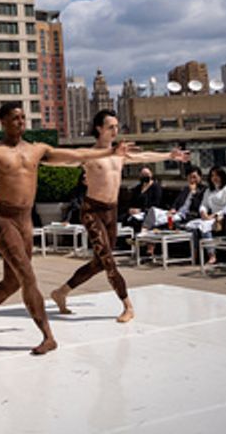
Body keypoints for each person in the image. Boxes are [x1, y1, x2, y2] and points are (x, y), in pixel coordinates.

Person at [0, 103, 133, 354]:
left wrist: (109, 152)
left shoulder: (36, 150)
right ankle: (48, 337)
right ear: (3, 122)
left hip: (25, 220)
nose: (20, 122)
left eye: (23, 118)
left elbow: (74, 155)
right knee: (28, 277)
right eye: (15, 118)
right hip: (2, 218)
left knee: (12, 283)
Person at [50, 110, 189, 323]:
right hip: (92, 211)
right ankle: (127, 305)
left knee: (99, 263)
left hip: (111, 211)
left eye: (117, 127)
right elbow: (64, 160)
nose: (116, 131)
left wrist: (169, 155)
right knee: (108, 259)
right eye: (111, 127)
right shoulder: (91, 155)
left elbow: (143, 156)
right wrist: (35, 160)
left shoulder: (119, 154)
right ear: (99, 129)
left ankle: (61, 292)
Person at [183, 167, 226, 263]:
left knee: (205, 226)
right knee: (192, 226)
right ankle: (194, 255)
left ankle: (212, 255)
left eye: (217, 175)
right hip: (209, 218)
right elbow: (204, 205)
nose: (214, 178)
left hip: (222, 217)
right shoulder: (209, 191)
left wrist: (214, 215)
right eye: (212, 176)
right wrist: (203, 212)